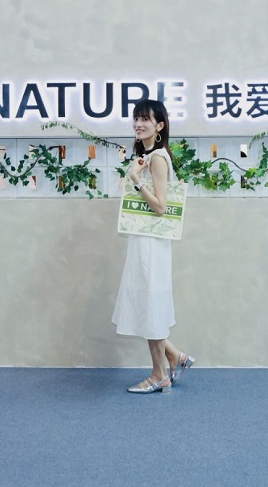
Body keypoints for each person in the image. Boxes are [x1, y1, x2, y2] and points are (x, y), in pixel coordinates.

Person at [112, 99, 195, 394]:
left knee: (150, 304)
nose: (138, 124)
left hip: (151, 243)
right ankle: (175, 357)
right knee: (148, 303)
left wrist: (135, 180)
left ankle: (160, 374)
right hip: (143, 240)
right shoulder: (148, 156)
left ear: (160, 126)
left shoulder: (158, 158)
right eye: (136, 118)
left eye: (145, 119)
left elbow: (160, 207)